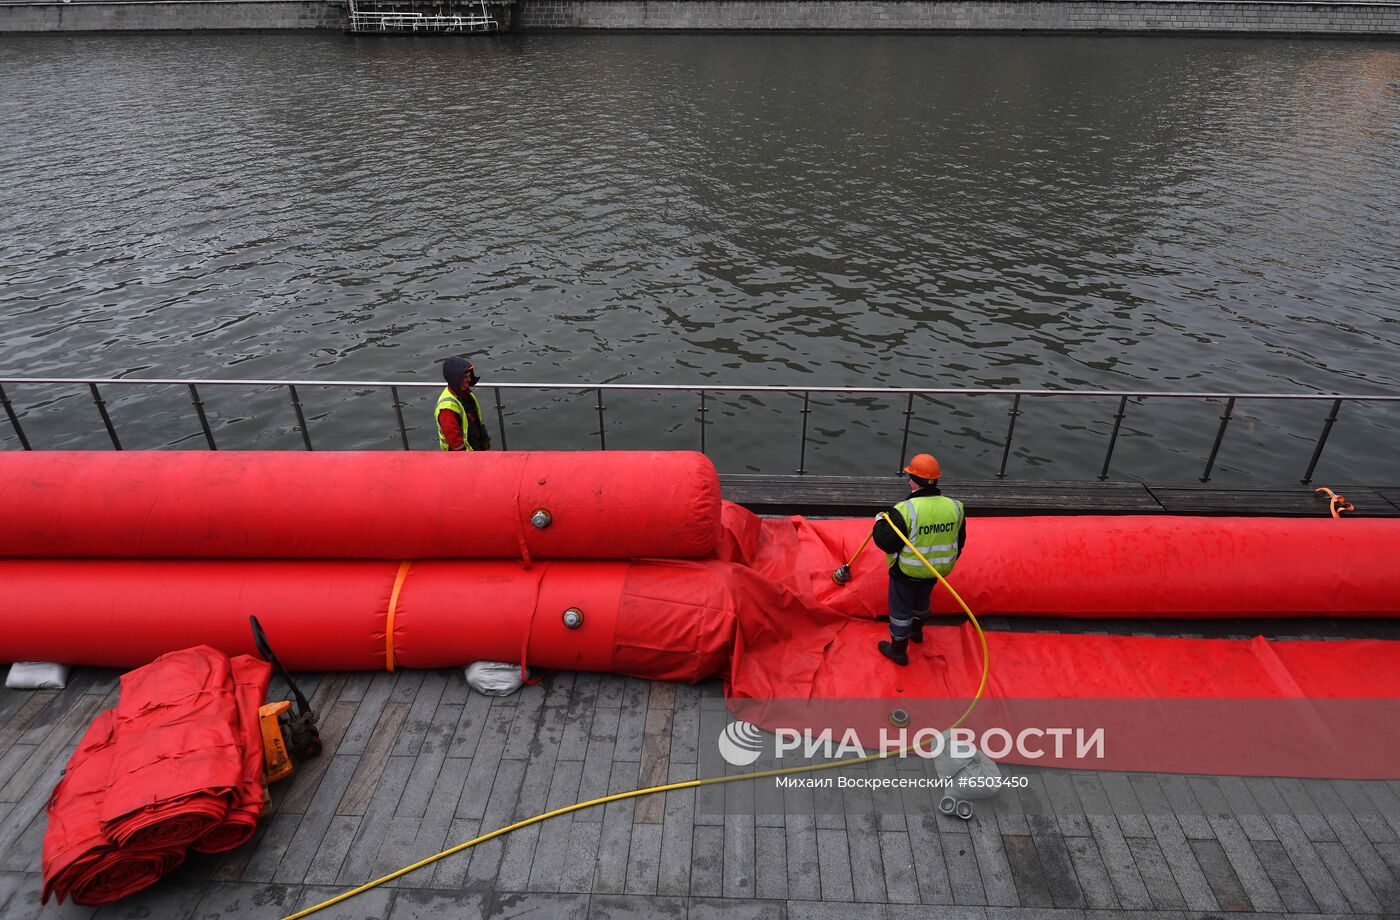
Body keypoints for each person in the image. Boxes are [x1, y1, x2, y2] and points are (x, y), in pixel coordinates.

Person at [870, 453, 966, 666]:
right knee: (922, 601)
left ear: (914, 480)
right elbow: (960, 540)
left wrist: (879, 522)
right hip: (936, 570)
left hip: (906, 573)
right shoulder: (955, 507)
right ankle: (917, 632)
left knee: (900, 610)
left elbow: (886, 542)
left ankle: (898, 651)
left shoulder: (905, 510)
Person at [436, 356, 492, 451]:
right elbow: (456, 444)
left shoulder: (466, 393)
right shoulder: (447, 408)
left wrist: (485, 439)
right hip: (464, 456)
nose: (469, 380)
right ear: (456, 379)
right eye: (465, 377)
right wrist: (468, 460)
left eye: (469, 376)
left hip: (475, 446)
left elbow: (477, 419)